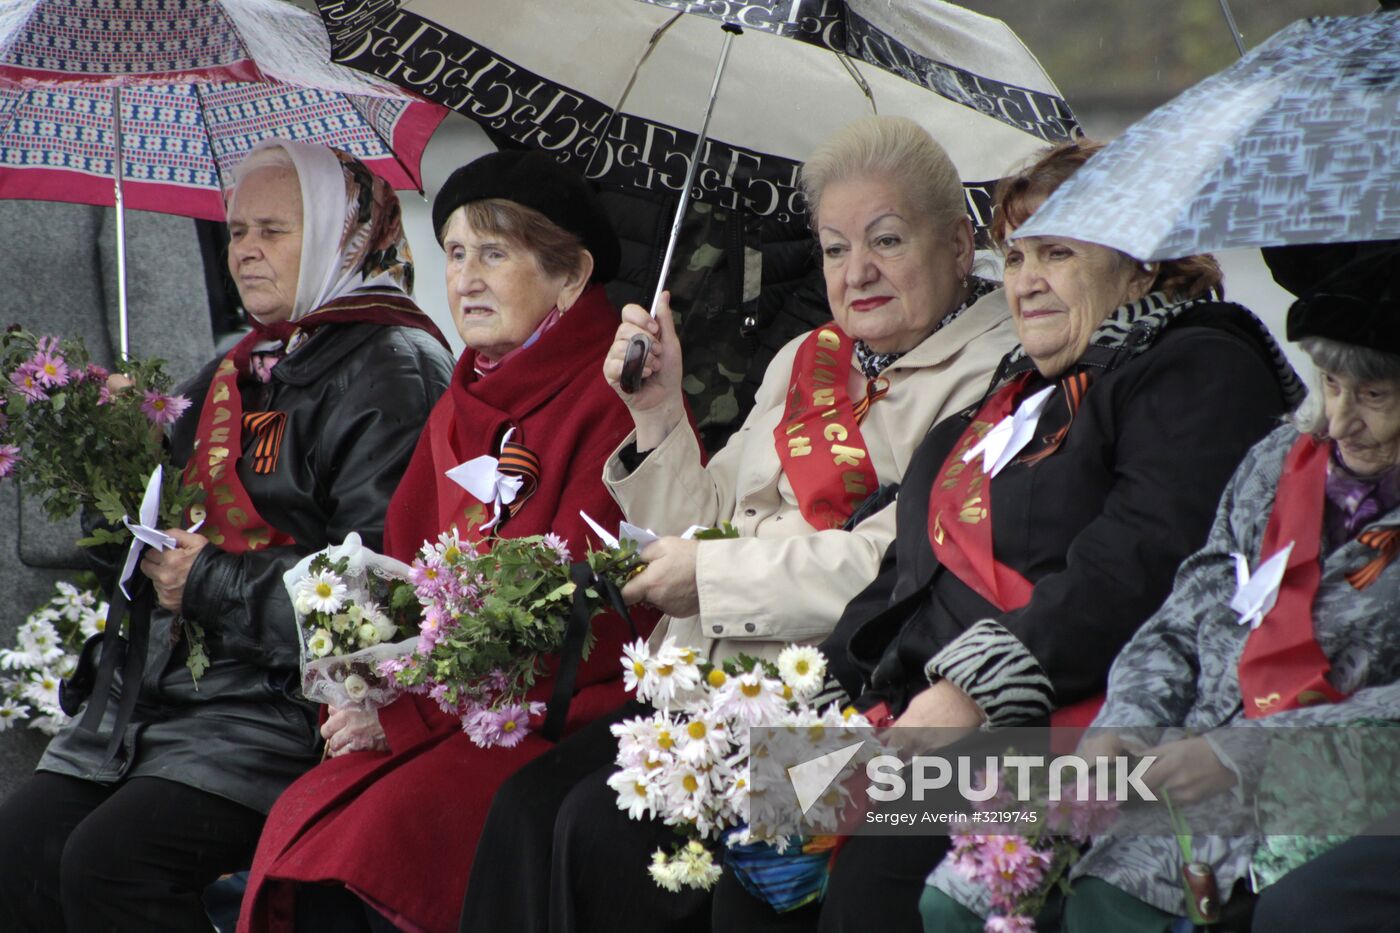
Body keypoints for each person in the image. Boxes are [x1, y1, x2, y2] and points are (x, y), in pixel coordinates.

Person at [458, 115, 1021, 933]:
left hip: (818, 691)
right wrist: (655, 415)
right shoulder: (806, 357)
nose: (856, 271)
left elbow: (898, 565)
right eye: (832, 248)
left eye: (887, 241)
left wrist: (709, 576)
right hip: (699, 679)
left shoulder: (991, 373)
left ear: (960, 245)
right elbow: (708, 515)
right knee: (522, 809)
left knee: (594, 837)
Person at [731, 137, 1303, 933]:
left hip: (1071, 714)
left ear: (1140, 262)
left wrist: (970, 691)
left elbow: (1138, 561)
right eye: (1017, 255)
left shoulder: (1196, 361)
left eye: (1058, 252)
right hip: (922, 703)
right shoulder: (1019, 389)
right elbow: (906, 576)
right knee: (752, 836)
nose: (1026, 282)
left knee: (877, 872)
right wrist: (816, 699)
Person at [0, 139, 455, 932]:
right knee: (21, 845)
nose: (243, 250)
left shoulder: (395, 367)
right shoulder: (234, 369)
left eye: (271, 231)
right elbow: (127, 547)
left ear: (338, 236)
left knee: (112, 864)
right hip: (168, 696)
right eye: (236, 231)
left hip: (283, 712)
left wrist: (206, 579)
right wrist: (113, 457)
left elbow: (381, 591)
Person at [237, 150, 655, 933]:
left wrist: (404, 715)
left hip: (554, 711)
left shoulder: (620, 399)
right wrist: (362, 685)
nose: (464, 278)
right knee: (307, 817)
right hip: (441, 707)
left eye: (494, 254)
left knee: (380, 839)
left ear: (570, 275)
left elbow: (585, 623)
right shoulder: (461, 399)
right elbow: (401, 569)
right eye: (456, 253)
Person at [925, 241, 1400, 932]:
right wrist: (1126, 724)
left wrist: (1240, 758)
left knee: (1108, 904)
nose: (1341, 417)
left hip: (1323, 787)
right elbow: (1185, 612)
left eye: (1375, 396)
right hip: (1175, 756)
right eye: (1328, 383)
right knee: (959, 895)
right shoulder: (1283, 457)